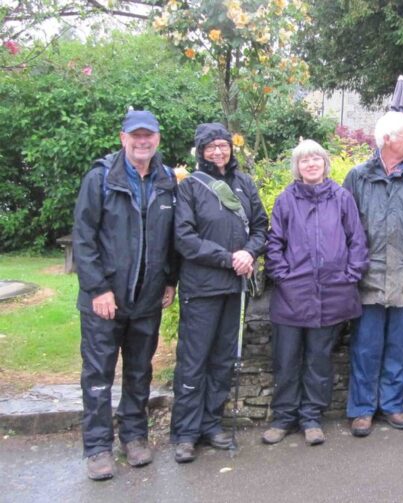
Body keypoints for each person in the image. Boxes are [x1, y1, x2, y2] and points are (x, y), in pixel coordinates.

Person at [73, 110, 178, 480]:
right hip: (104, 299)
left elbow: (172, 238)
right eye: (136, 135)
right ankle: (98, 447)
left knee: (139, 372)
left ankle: (134, 437)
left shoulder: (167, 180)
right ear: (123, 138)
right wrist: (98, 289)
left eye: (149, 135)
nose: (142, 141)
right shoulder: (101, 178)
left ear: (157, 139)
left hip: (147, 298)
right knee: (98, 374)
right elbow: (83, 238)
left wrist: (170, 280)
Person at [171, 123, 268, 463]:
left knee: (223, 360)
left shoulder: (244, 184)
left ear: (231, 148)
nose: (218, 151)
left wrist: (250, 252)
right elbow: (185, 238)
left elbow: (261, 227)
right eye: (210, 146)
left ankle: (211, 424)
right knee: (193, 361)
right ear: (201, 151)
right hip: (201, 289)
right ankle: (186, 432)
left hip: (234, 288)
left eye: (223, 145)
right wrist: (228, 258)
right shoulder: (190, 188)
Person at [261, 140, 369, 446]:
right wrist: (283, 277)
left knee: (319, 361)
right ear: (297, 167)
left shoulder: (342, 198)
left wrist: (350, 276)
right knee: (286, 360)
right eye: (304, 160)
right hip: (292, 296)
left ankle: (311, 418)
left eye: (316, 159)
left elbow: (357, 240)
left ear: (325, 163)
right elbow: (274, 243)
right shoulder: (286, 199)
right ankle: (283, 418)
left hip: (332, 294)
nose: (311, 164)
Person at [343, 111, 403, 437]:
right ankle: (362, 409)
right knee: (365, 347)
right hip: (368, 276)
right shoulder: (358, 176)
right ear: (387, 139)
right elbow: (345, 223)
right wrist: (355, 265)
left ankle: (394, 405)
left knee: (398, 347)